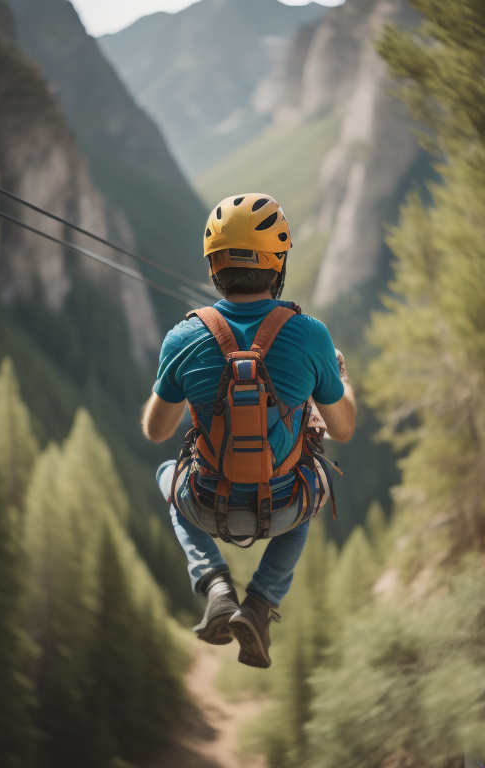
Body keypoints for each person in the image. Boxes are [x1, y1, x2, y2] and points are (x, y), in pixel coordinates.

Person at [141, 193, 356, 668]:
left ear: (214, 269)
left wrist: (178, 371)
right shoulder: (311, 334)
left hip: (205, 506)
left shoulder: (182, 337)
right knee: (314, 480)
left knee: (165, 472)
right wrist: (340, 379)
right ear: (277, 267)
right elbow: (343, 427)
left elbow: (156, 431)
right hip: (282, 508)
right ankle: (259, 606)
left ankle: (216, 584)